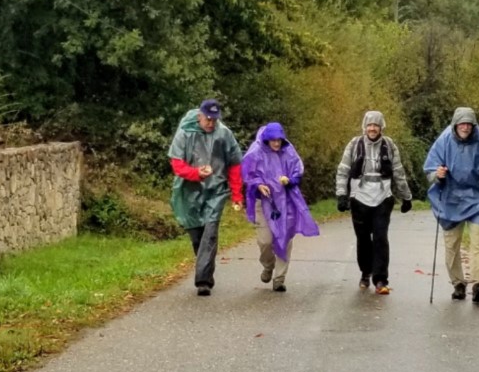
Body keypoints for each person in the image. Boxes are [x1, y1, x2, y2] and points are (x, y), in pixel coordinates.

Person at [423, 106, 479, 303]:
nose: (465, 127)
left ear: (474, 125)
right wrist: (438, 174)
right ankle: (458, 283)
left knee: (478, 242)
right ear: (455, 125)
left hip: (477, 198)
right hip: (450, 199)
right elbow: (430, 171)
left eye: (469, 124)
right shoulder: (443, 142)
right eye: (462, 124)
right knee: (451, 245)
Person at [168, 98, 244, 295]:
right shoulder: (185, 132)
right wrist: (195, 173)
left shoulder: (224, 134)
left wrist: (237, 194)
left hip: (215, 191)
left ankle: (203, 281)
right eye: (207, 119)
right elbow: (177, 164)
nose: (211, 123)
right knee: (197, 236)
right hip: (189, 190)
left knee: (210, 233)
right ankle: (205, 267)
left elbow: (235, 164)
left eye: (214, 119)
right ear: (200, 116)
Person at [335, 109, 412, 294]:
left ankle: (380, 279)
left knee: (380, 237)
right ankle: (365, 272)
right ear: (364, 127)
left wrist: (406, 196)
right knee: (363, 239)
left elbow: (398, 171)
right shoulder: (354, 144)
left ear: (381, 127)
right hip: (359, 197)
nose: (372, 129)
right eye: (369, 125)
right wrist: (341, 194)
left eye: (376, 125)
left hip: (382, 197)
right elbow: (343, 170)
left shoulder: (389, 145)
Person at [242, 122, 319, 292]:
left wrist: (290, 181)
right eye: (273, 140)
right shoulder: (256, 153)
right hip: (264, 202)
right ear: (267, 140)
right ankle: (268, 265)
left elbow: (297, 172)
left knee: (285, 238)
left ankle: (279, 278)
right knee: (265, 241)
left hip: (286, 202)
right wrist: (259, 185)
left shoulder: (289, 152)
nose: (276, 143)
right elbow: (249, 174)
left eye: (279, 140)